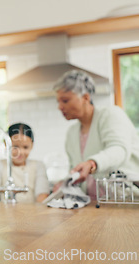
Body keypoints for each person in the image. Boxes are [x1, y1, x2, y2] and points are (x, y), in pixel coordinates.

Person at [54, 69, 139, 199]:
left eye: (65, 101)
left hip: (125, 199)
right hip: (93, 205)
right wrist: (65, 183)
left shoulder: (110, 115)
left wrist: (92, 163)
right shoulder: (71, 133)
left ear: (85, 98)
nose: (59, 107)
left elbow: (119, 149)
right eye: (58, 102)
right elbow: (76, 170)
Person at [0, 123, 50, 203]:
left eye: (25, 147)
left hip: (33, 213)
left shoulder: (39, 166)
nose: (20, 152)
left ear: (32, 145)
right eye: (15, 147)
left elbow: (42, 195)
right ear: (6, 144)